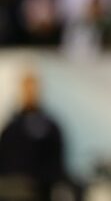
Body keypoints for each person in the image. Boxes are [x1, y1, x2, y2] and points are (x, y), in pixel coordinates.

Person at [0, 71, 67, 199]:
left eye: (33, 88)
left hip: (40, 191)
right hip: (11, 190)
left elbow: (56, 165)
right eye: (27, 88)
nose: (30, 92)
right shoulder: (11, 128)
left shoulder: (50, 127)